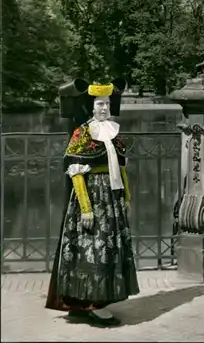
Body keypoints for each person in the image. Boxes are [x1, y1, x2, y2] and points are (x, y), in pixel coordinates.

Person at [45, 83, 139, 326]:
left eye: (107, 104)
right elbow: (75, 172)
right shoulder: (83, 133)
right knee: (91, 247)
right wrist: (85, 208)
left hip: (112, 197)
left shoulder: (114, 132)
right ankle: (89, 304)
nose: (104, 108)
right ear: (91, 107)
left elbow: (122, 169)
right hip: (93, 196)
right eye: (100, 104)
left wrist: (126, 197)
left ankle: (91, 302)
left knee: (107, 248)